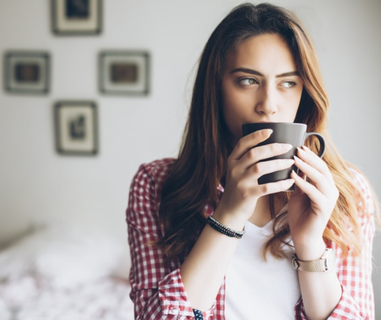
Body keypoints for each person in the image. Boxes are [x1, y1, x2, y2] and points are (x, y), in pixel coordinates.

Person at [125, 3, 378, 320]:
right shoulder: (156, 184)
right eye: (248, 80)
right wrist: (229, 214)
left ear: (306, 91)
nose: (268, 105)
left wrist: (310, 244)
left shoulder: (348, 191)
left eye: (288, 82)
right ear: (215, 88)